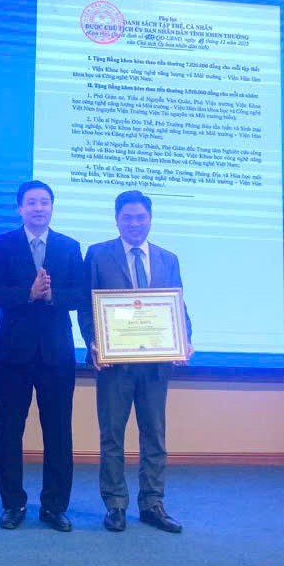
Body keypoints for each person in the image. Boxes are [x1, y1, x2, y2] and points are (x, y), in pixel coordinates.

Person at [79, 190, 192, 534]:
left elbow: (178, 305)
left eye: (141, 217)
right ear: (116, 220)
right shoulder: (98, 255)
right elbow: (87, 306)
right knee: (112, 436)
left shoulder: (168, 259)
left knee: (154, 436)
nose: (134, 223)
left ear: (150, 220)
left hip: (156, 366)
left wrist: (184, 337)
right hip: (115, 365)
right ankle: (115, 504)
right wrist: (93, 342)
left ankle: (152, 503)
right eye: (127, 217)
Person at [0, 180, 84, 532]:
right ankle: (12, 503)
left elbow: (81, 295)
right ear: (20, 208)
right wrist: (27, 293)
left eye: (44, 202)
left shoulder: (69, 246)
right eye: (31, 202)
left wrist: (52, 295)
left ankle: (54, 506)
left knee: (58, 431)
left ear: (52, 207)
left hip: (56, 354)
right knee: (8, 430)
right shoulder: (1, 244)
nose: (38, 208)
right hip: (11, 353)